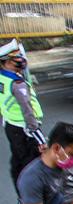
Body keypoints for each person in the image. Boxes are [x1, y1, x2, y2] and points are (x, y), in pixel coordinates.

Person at [0, 39, 45, 193]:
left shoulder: (2, 78)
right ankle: (34, 201)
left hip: (11, 127)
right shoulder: (17, 83)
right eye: (16, 58)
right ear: (5, 62)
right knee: (32, 166)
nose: (21, 59)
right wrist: (39, 137)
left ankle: (22, 198)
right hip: (25, 129)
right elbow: (27, 110)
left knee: (17, 164)